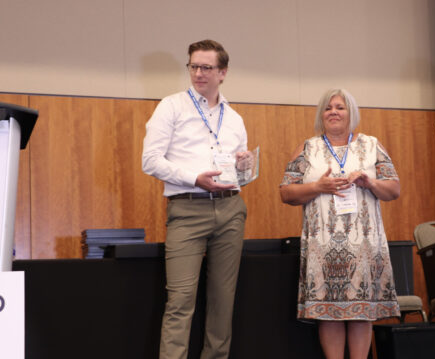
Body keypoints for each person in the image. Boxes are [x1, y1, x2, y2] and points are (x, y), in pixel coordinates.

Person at [142, 39, 252, 359]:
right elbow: (150, 160)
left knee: (223, 301)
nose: (199, 73)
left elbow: (238, 173)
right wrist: (194, 178)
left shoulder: (234, 118)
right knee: (180, 300)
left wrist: (245, 168)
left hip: (231, 208)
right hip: (187, 207)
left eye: (207, 67)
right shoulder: (171, 106)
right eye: (194, 66)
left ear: (223, 72)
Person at [279, 89, 401, 359]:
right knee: (329, 314)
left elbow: (393, 190)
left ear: (351, 113)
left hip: (364, 246)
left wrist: (370, 182)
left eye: (340, 107)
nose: (333, 112)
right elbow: (286, 193)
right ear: (321, 115)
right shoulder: (307, 148)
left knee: (360, 313)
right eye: (328, 108)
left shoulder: (371, 145)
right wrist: (317, 186)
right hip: (322, 247)